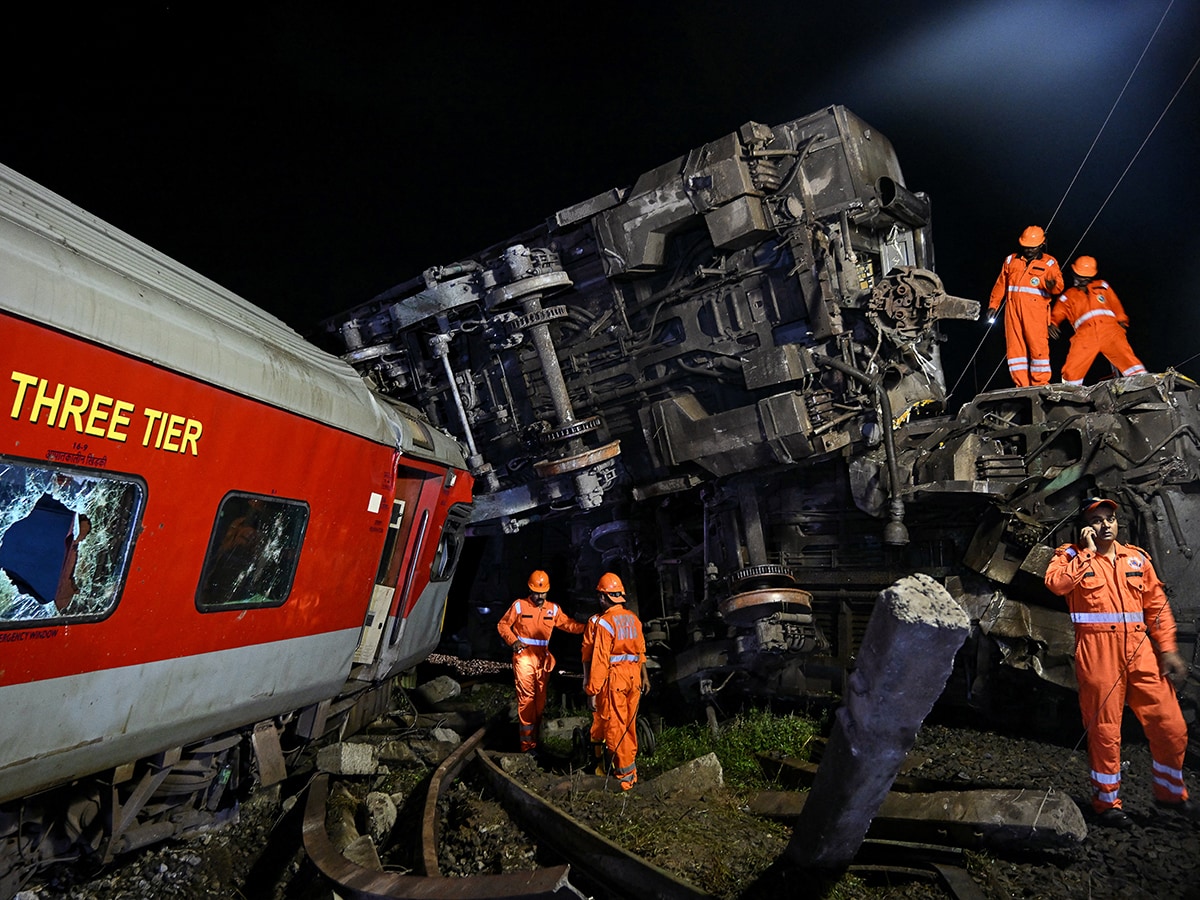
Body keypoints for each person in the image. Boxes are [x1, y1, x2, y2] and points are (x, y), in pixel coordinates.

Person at [1044, 496, 1199, 827]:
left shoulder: (1137, 559)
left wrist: (1168, 649)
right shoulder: (1070, 557)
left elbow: (1156, 606)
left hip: (1140, 649)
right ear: (1086, 525)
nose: (1105, 525)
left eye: (1110, 518)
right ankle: (1107, 804)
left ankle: (1170, 797)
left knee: (1171, 726)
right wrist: (1085, 552)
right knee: (1105, 732)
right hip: (1098, 652)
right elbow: (1057, 585)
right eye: (1097, 520)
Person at [496, 570, 585, 753]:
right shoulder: (519, 606)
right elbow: (503, 625)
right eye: (536, 592)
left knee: (539, 702)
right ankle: (527, 746)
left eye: (542, 592)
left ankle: (536, 740)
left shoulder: (553, 609)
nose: (539, 596)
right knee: (527, 700)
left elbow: (568, 624)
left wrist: (589, 626)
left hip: (543, 660)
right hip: (524, 658)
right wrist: (513, 641)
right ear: (530, 590)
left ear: (547, 591)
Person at [584, 573, 650, 789]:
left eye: (600, 596)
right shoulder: (633, 619)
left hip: (616, 680)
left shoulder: (605, 623)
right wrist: (644, 676)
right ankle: (631, 773)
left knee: (616, 728)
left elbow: (600, 660)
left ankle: (623, 779)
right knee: (629, 726)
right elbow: (641, 652)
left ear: (605, 597)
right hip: (633, 679)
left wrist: (592, 691)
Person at [1049, 256, 1147, 386]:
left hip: (1110, 331)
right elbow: (1057, 313)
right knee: (1072, 368)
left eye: (1086, 276)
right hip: (1085, 335)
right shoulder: (1068, 296)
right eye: (1080, 275)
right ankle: (1070, 393)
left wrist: (1122, 321)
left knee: (1128, 360)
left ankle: (1144, 385)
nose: (1083, 279)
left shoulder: (1102, 286)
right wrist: (1052, 323)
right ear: (1074, 272)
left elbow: (1115, 304)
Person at [986, 225, 1064, 387]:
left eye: (1032, 247)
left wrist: (1051, 284)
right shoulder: (1011, 260)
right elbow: (1001, 284)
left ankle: (1040, 383)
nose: (1028, 250)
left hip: (1036, 313)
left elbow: (1058, 287)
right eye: (1026, 247)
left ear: (1042, 244)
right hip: (1012, 311)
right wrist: (993, 304)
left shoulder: (1049, 263)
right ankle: (1021, 386)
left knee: (1038, 348)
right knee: (1015, 350)